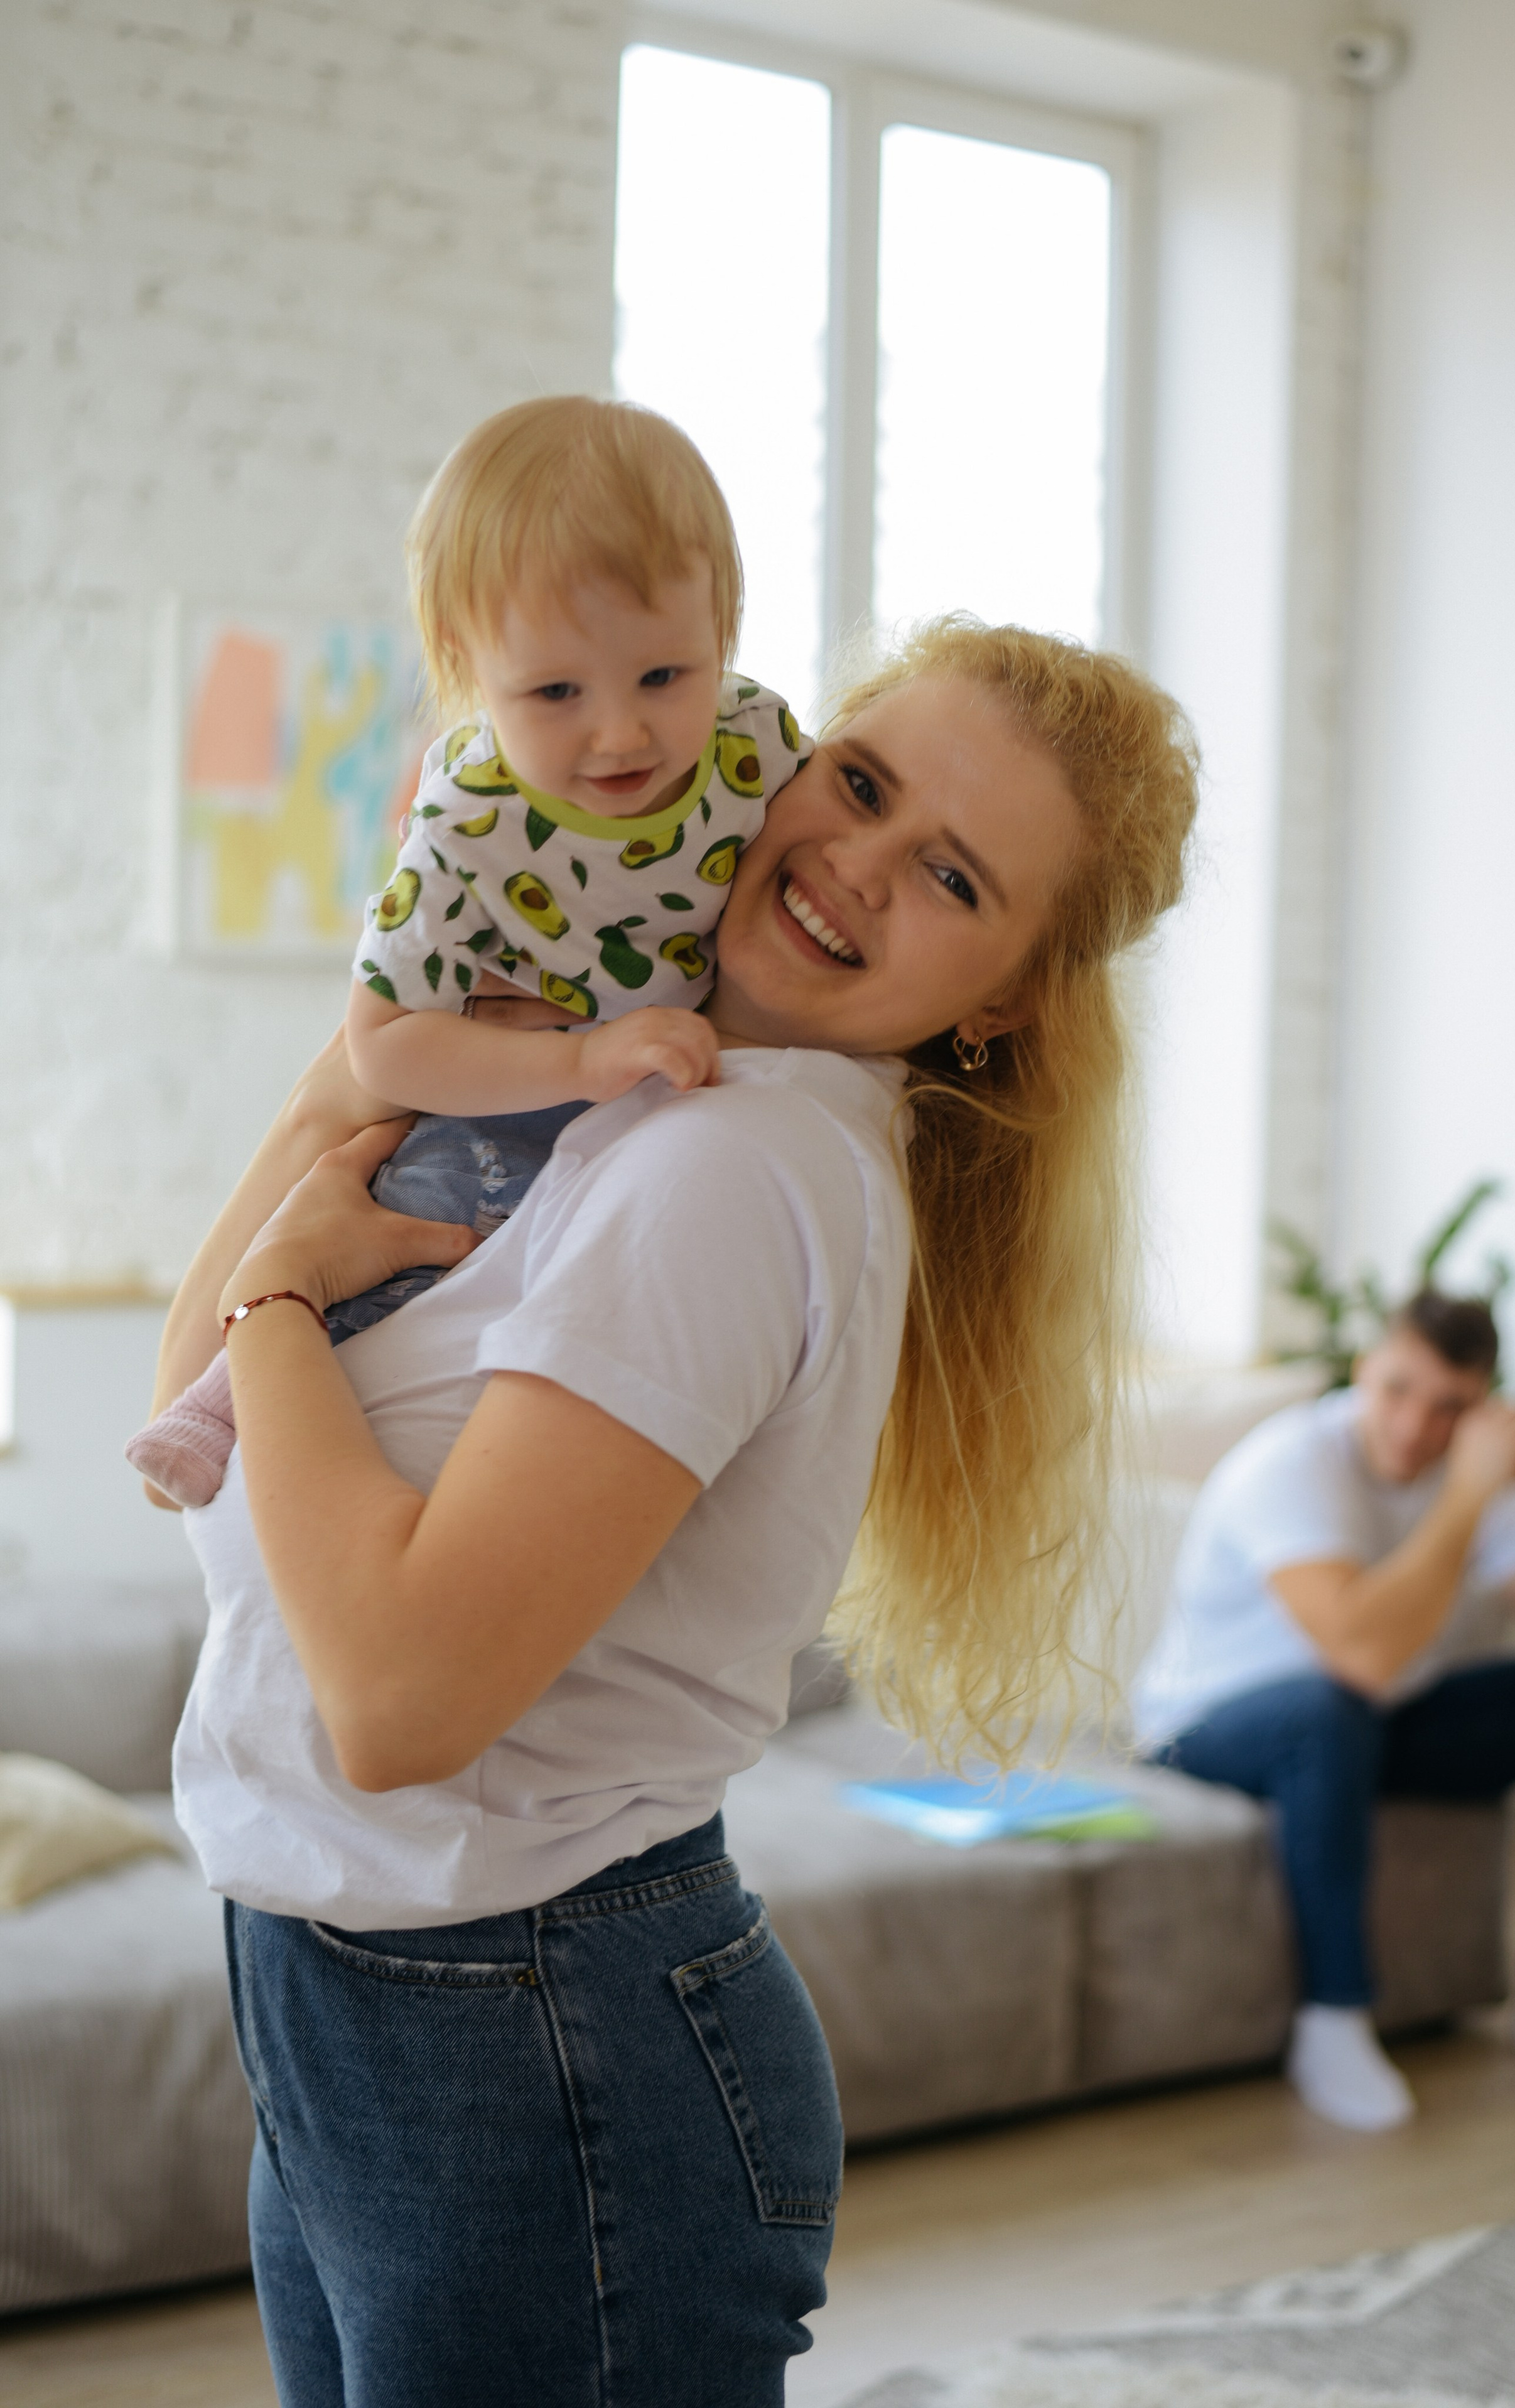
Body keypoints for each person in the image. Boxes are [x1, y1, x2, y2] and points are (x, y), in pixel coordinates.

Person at [149, 617, 1199, 2404]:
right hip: (379, 2000)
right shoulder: (624, 1098)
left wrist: (278, 1303)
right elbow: (201, 1415)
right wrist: (374, 1054)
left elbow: (399, 1699)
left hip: (524, 2032)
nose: (851, 863)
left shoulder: (730, 1170)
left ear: (1008, 993)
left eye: (948, 872)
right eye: (857, 780)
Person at [128, 395, 806, 1508]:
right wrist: (578, 1066)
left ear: (723, 627)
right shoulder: (468, 822)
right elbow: (383, 1045)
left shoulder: (757, 747)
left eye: (663, 677)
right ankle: (211, 1409)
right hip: (490, 1105)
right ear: (466, 665)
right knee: (392, 1255)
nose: (620, 733)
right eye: (555, 693)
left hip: (647, 1114)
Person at [1133, 1290, 1515, 2131]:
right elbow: (1359, 1652)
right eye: (1398, 1391)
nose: (1415, 1427)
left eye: (1449, 1408)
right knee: (1331, 1704)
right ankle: (1334, 2019)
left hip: (1367, 1724)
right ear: (1365, 1370)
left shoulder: (1477, 1475)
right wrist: (1466, 1500)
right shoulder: (1292, 1463)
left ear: (1482, 1409)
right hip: (1206, 1729)